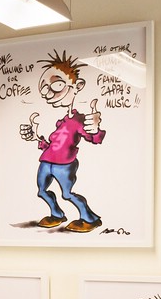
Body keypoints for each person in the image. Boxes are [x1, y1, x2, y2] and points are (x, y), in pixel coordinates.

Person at [19, 51, 105, 232]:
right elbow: (54, 146)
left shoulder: (79, 120)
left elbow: (94, 138)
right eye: (44, 89)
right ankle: (57, 214)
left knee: (67, 194)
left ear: (78, 86)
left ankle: (90, 218)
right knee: (42, 191)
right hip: (46, 162)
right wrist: (36, 137)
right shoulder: (62, 121)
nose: (49, 93)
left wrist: (95, 128)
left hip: (64, 165)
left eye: (57, 85)